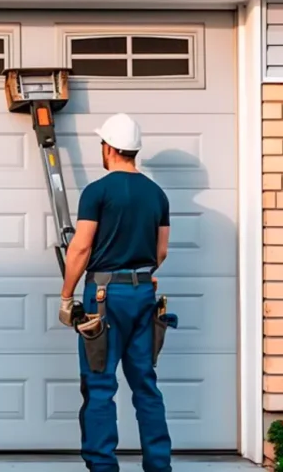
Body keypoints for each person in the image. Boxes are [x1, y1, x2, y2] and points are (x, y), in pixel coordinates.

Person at [57, 113, 172, 472]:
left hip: (104, 299)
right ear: (134, 150)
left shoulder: (98, 191)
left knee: (100, 385)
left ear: (107, 148)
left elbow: (80, 248)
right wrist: (143, 274)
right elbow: (161, 251)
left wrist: (66, 296)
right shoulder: (157, 194)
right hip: (142, 296)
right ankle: (158, 466)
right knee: (145, 385)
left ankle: (103, 467)